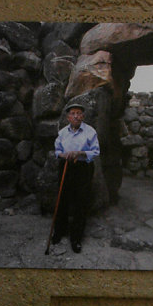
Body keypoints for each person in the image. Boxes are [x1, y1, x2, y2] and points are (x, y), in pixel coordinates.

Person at [53, 102, 100, 253]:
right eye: (73, 113)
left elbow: (95, 151)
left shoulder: (90, 132)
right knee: (62, 199)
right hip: (66, 166)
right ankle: (59, 231)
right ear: (68, 117)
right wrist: (64, 154)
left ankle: (76, 238)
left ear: (83, 116)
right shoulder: (62, 133)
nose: (76, 116)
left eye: (79, 113)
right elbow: (57, 150)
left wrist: (79, 153)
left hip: (82, 168)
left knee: (81, 202)